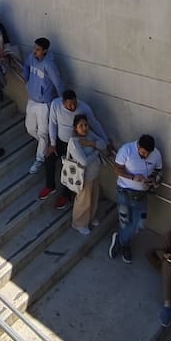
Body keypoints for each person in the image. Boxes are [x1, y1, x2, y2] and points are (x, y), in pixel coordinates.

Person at [43, 89, 111, 210]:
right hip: (60, 141)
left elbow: (95, 124)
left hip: (76, 145)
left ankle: (66, 195)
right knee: (49, 160)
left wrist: (106, 140)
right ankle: (50, 186)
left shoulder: (85, 108)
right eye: (69, 105)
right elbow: (52, 124)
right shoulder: (55, 104)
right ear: (63, 102)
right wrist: (52, 143)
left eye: (74, 103)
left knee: (74, 170)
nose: (73, 106)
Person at [108, 134, 162, 264]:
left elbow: (159, 170)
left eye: (148, 153)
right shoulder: (126, 149)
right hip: (124, 192)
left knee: (139, 225)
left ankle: (119, 239)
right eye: (143, 153)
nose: (146, 156)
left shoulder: (156, 154)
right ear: (138, 146)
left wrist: (154, 180)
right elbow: (116, 169)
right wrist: (132, 177)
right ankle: (126, 246)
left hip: (141, 195)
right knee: (125, 223)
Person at [23, 38, 64, 176]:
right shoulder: (31, 57)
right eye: (34, 48)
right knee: (30, 128)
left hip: (44, 104)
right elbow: (26, 65)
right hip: (32, 100)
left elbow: (58, 83)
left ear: (45, 51)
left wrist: (61, 102)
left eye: (38, 49)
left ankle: (40, 159)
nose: (35, 51)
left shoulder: (50, 65)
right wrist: (26, 78)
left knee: (42, 133)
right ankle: (45, 145)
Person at [65, 113, 108, 234]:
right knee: (83, 201)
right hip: (84, 177)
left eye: (86, 125)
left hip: (94, 174)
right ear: (75, 128)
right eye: (81, 126)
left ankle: (90, 218)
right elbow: (83, 161)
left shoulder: (89, 135)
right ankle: (78, 223)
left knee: (94, 197)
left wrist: (92, 144)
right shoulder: (74, 142)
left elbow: (103, 144)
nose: (84, 128)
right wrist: (96, 151)